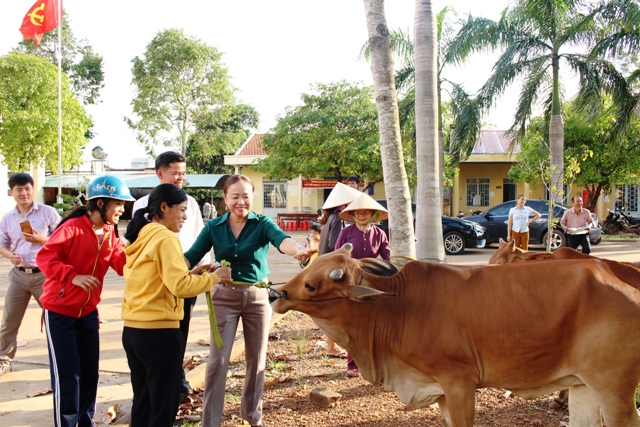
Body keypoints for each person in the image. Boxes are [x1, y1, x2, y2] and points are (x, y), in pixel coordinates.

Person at [184, 174, 315, 427]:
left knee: (256, 360)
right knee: (217, 361)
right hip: (224, 297)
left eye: (246, 196)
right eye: (235, 196)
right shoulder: (214, 227)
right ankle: (209, 422)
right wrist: (169, 266)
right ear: (225, 198)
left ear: (253, 196)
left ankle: (253, 417)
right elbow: (190, 256)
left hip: (257, 297)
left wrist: (298, 250)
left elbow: (281, 240)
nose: (240, 202)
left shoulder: (262, 223)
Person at [122, 184, 232, 427]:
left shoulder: (142, 235)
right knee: (164, 405)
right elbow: (180, 287)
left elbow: (155, 279)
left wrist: (191, 272)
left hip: (133, 331)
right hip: (158, 333)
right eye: (182, 210)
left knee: (143, 402)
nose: (185, 216)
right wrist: (214, 278)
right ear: (164, 207)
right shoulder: (166, 238)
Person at [36, 175, 135, 427]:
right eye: (119, 204)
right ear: (100, 204)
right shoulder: (72, 228)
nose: (123, 209)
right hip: (60, 314)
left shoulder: (111, 232)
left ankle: (85, 421)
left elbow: (122, 266)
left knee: (89, 374)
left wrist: (139, 250)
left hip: (88, 314)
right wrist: (72, 277)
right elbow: (45, 258)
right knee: (68, 377)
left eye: (124, 204)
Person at [131, 150, 210, 396]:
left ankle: (177, 375)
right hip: (156, 281)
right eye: (176, 173)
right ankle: (160, 379)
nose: (180, 178)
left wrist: (204, 270)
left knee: (180, 330)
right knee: (159, 336)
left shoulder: (192, 203)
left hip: (186, 274)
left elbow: (200, 238)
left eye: (184, 173)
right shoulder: (142, 205)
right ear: (160, 173)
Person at [0, 173, 60, 376]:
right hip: (19, 275)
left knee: (56, 317)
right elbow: (2, 245)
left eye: (27, 188)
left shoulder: (48, 213)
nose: (24, 193)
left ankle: (62, 355)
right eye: (19, 190)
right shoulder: (7, 218)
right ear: (11, 193)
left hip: (45, 274)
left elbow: (64, 238)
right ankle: (4, 358)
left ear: (32, 189)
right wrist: (10, 256)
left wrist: (41, 239)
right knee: (9, 319)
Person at [335, 194, 390, 377]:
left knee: (374, 324)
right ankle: (352, 364)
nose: (363, 215)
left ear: (372, 214)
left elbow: (388, 257)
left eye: (366, 212)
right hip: (350, 281)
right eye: (359, 212)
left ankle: (376, 362)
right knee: (353, 324)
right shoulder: (346, 232)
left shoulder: (380, 233)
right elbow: (337, 256)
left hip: (371, 281)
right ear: (354, 215)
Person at [317, 182, 362, 358]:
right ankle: (331, 347)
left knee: (333, 308)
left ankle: (332, 345)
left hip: (324, 264)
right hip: (332, 268)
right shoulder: (336, 219)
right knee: (336, 309)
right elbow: (333, 246)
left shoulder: (328, 217)